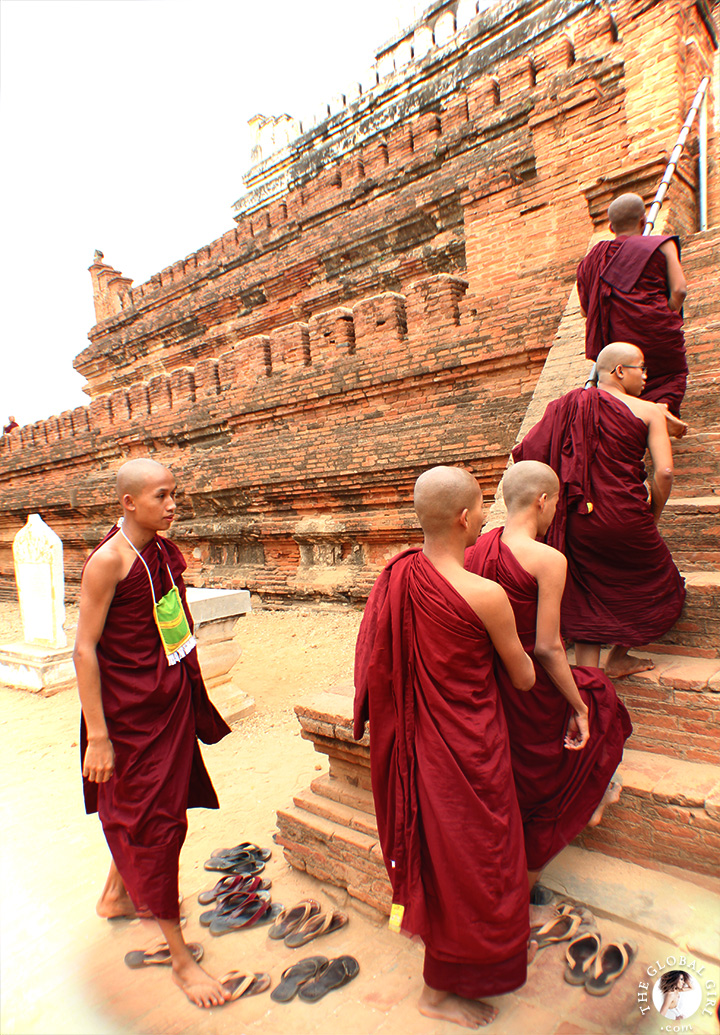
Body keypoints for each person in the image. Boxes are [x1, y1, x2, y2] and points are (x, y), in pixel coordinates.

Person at [354, 465, 536, 1029]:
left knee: (443, 861)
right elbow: (525, 678)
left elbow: (374, 666)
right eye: (483, 505)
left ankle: (454, 971)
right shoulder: (487, 595)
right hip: (470, 748)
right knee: (480, 861)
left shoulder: (397, 575)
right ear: (464, 519)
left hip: (417, 748)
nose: (487, 515)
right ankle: (439, 991)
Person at [73, 458, 233, 1008]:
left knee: (147, 812)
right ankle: (181, 961)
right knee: (156, 825)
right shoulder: (110, 561)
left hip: (166, 707)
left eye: (174, 495)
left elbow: (171, 628)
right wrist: (98, 736)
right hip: (127, 720)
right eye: (161, 496)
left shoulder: (159, 555)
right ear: (129, 503)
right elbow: (84, 648)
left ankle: (116, 896)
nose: (172, 505)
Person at [466, 461, 632, 896]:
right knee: (599, 694)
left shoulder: (474, 551)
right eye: (556, 502)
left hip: (489, 688)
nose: (557, 510)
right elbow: (547, 647)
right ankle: (591, 799)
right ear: (543, 501)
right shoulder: (547, 559)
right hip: (530, 685)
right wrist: (577, 706)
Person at [512, 342, 685, 678]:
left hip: (579, 517)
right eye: (642, 368)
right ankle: (619, 655)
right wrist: (655, 511)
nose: (647, 377)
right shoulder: (649, 411)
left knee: (586, 591)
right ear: (620, 371)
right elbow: (664, 473)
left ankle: (588, 680)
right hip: (626, 513)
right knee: (661, 584)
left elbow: (529, 452)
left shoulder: (566, 405)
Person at [576, 192, 688, 416]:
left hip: (616, 343)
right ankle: (661, 411)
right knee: (670, 378)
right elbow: (679, 290)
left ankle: (633, 421)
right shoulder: (661, 245)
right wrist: (663, 314)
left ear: (610, 227)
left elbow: (585, 310)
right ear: (643, 221)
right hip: (657, 334)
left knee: (620, 396)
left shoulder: (591, 260)